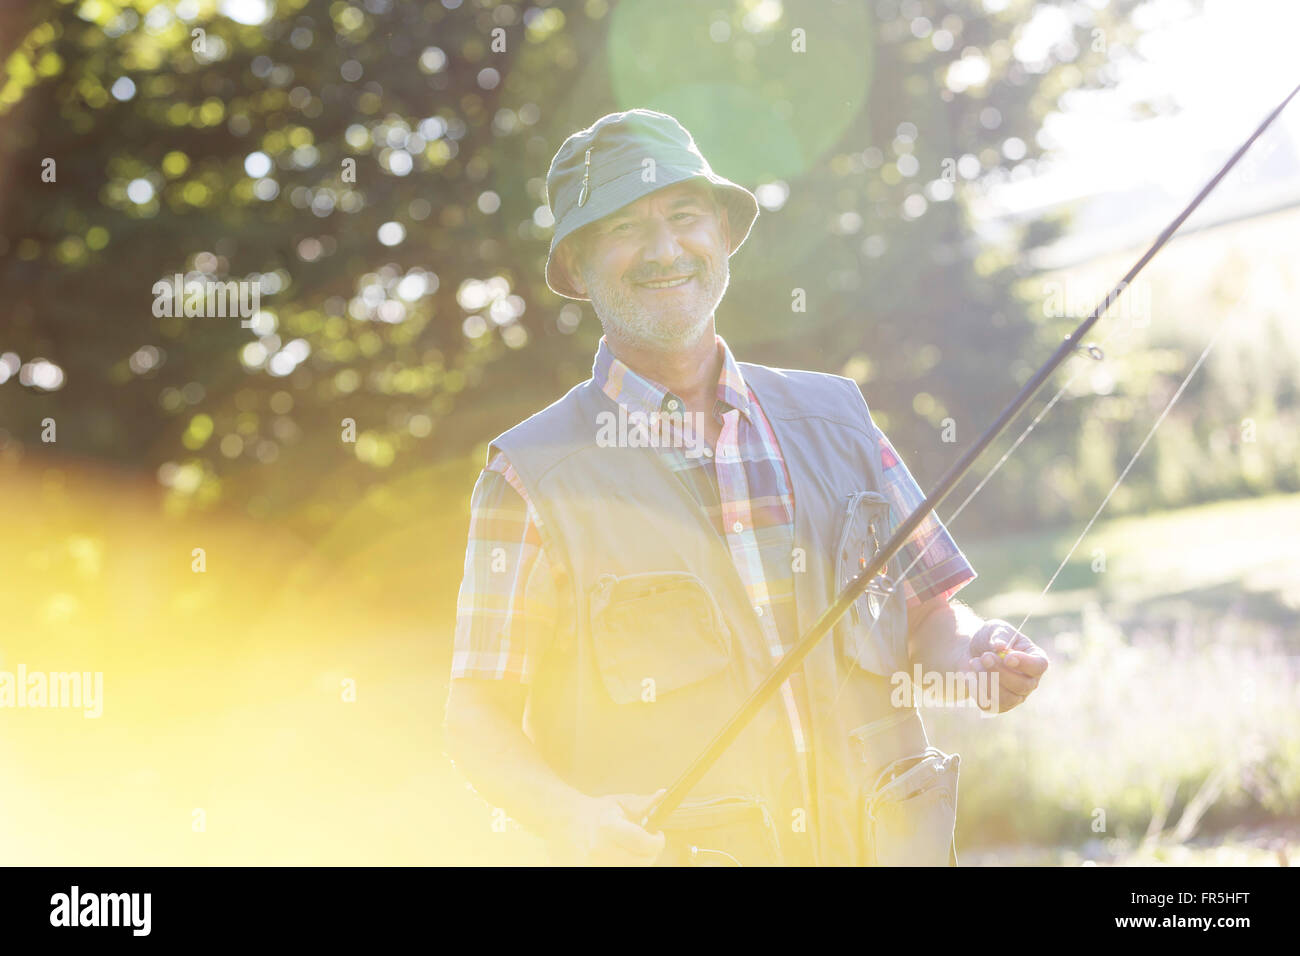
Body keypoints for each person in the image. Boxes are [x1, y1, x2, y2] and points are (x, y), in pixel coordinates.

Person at [445, 108, 1048, 866]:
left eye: (685, 214)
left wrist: (975, 660)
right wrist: (571, 818)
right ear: (578, 267)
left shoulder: (841, 417)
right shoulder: (531, 475)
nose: (665, 250)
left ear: (723, 235)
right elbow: (475, 714)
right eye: (624, 227)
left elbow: (931, 616)